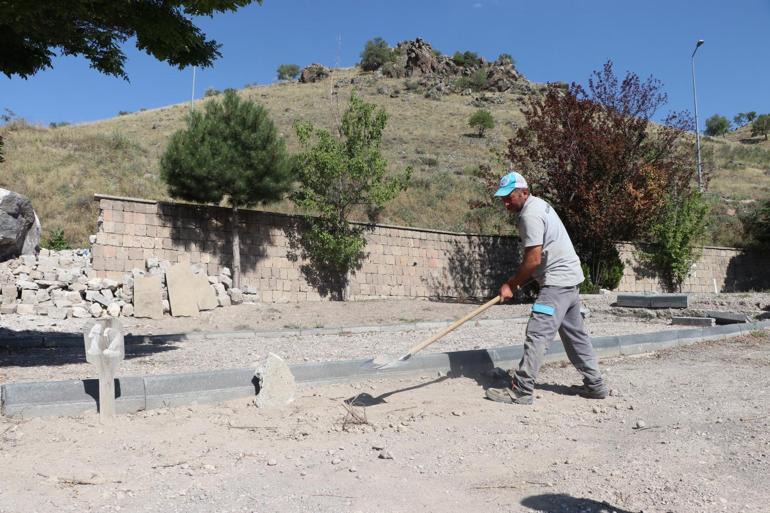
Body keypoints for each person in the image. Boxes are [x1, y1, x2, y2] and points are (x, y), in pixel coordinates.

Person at [485, 170, 608, 405]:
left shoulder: (529, 215)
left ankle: (521, 390)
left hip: (556, 283)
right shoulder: (540, 205)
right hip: (569, 280)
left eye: (509, 196)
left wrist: (511, 284)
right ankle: (596, 385)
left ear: (524, 192)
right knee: (575, 337)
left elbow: (533, 260)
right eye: (502, 197)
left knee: (538, 333)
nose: (505, 201)